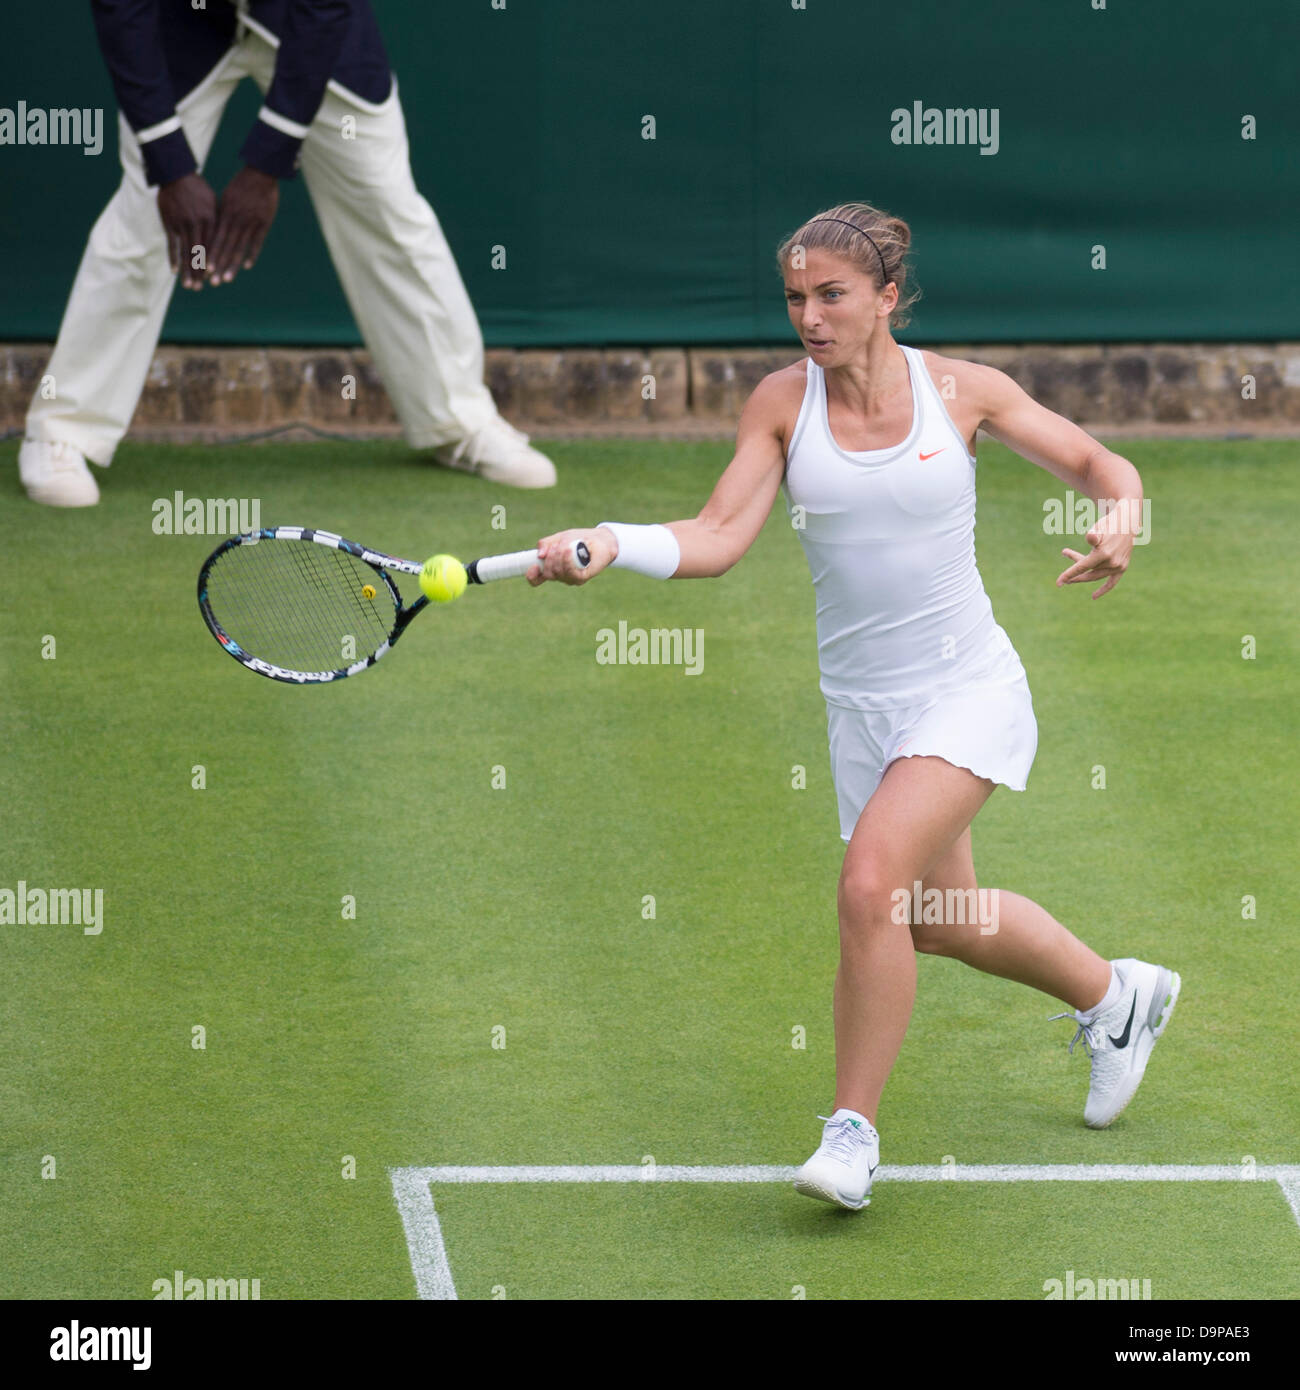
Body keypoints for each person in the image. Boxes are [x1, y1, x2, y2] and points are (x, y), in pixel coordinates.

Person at [525, 201, 1181, 1211]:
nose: (810, 317)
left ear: (885, 296)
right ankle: (1116, 995)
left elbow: (1103, 466)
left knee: (868, 884)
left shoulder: (962, 392)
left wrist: (1120, 521)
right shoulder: (782, 403)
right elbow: (716, 533)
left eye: (831, 295)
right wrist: (612, 538)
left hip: (966, 691)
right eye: (795, 297)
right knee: (937, 920)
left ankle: (850, 1133)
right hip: (863, 714)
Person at [19, 0, 554, 508]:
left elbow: (323, 9)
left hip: (309, 24)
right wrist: (170, 165)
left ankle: (460, 422)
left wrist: (267, 164)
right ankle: (62, 431)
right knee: (144, 211)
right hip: (182, 21)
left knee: (387, 207)